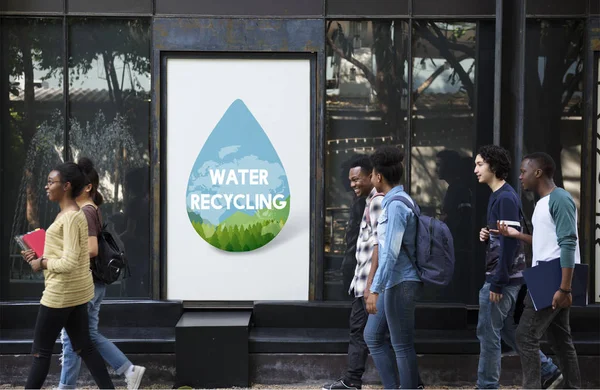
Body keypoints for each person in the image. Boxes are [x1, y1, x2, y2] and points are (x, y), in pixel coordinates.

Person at [21, 162, 114, 389]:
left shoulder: (72, 217)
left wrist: (42, 263)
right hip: (75, 293)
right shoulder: (68, 214)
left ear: (67, 186)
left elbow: (71, 261)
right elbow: (69, 253)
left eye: (51, 182)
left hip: (60, 294)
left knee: (40, 354)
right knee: (85, 347)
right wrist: (39, 253)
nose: (46, 186)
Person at [474, 146, 561, 389]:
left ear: (493, 166)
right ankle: (549, 371)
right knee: (503, 330)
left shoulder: (505, 197)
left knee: (487, 335)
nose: (475, 169)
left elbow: (511, 244)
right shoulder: (500, 195)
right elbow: (503, 237)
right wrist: (487, 234)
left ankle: (486, 386)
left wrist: (498, 282)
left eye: (480, 164)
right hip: (504, 277)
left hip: (502, 279)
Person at [58, 158, 146, 390]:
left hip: (86, 283)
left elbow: (92, 249)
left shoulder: (86, 212)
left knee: (71, 339)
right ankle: (129, 369)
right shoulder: (92, 209)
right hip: (94, 283)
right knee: (88, 335)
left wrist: (62, 255)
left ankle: (65, 387)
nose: (70, 188)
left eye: (74, 183)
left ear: (87, 187)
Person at [496, 152, 581, 389]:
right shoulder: (543, 202)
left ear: (538, 172)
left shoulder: (560, 199)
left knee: (525, 336)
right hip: (548, 275)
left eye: (524, 171)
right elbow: (547, 241)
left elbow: (568, 243)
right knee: (560, 340)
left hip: (552, 276)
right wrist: (516, 235)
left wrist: (564, 288)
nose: (520, 176)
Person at [363, 146, 422, 390]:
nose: (371, 178)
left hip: (400, 281)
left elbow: (390, 254)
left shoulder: (396, 206)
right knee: (373, 336)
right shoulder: (396, 201)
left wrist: (374, 289)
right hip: (394, 281)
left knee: (402, 344)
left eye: (372, 174)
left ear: (379, 177)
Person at [322, 155, 382, 390]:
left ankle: (352, 380)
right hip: (364, 281)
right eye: (351, 180)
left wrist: (370, 286)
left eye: (357, 179)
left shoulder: (376, 203)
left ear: (372, 175)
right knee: (375, 334)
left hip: (370, 283)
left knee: (364, 332)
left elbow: (378, 245)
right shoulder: (363, 203)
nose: (353, 184)